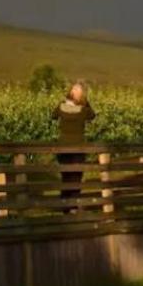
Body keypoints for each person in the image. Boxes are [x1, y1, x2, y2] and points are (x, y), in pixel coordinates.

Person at [52, 81, 96, 213]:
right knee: (76, 176)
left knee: (66, 175)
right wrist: (86, 101)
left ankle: (65, 204)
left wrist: (63, 102)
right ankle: (73, 205)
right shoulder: (83, 110)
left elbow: (53, 116)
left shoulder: (61, 107)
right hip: (78, 147)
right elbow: (92, 115)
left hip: (63, 146)